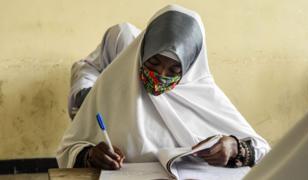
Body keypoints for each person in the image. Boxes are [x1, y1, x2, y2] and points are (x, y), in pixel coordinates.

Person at [57, 4, 270, 170]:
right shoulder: (112, 86)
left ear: (189, 68)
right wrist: (90, 156)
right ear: (140, 55)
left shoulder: (203, 94)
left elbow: (261, 149)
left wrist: (234, 147)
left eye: (174, 70)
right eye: (153, 63)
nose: (160, 76)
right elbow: (69, 149)